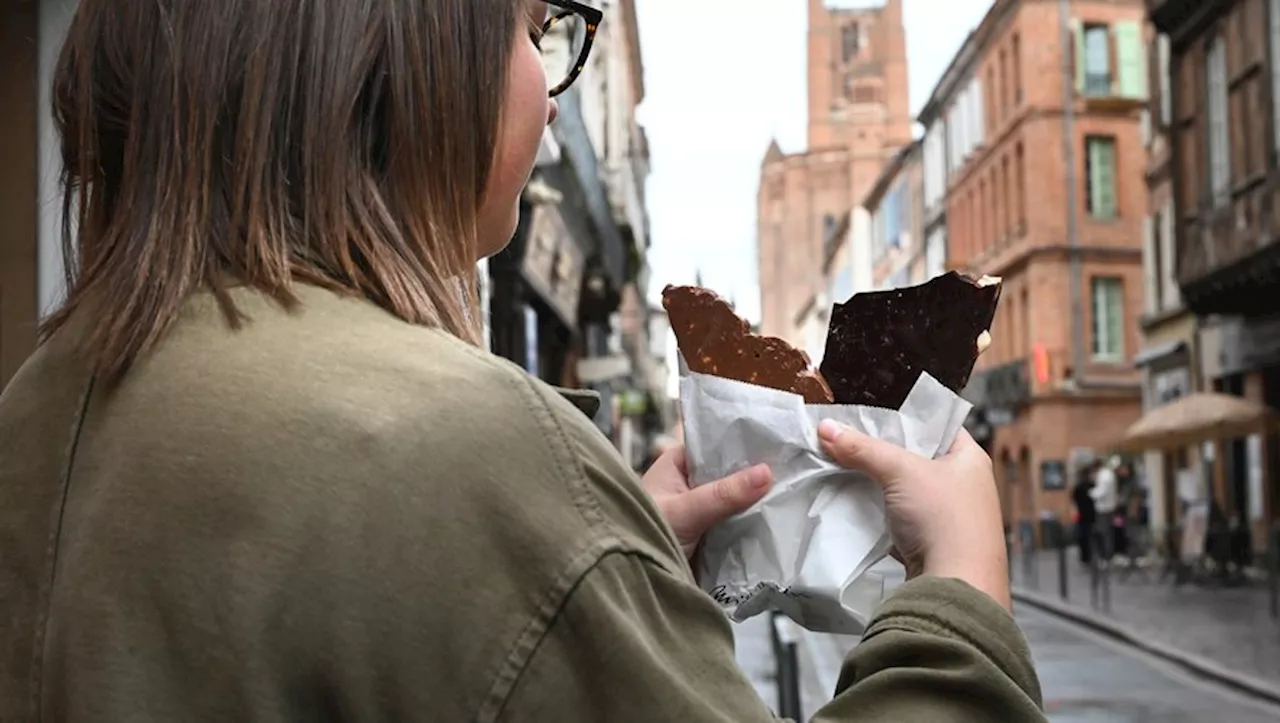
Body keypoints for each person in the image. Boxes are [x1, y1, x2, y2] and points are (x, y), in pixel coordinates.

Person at [0, 1, 1044, 720]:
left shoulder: (36, 404)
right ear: (386, 53)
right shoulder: (465, 442)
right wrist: (959, 587)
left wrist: (606, 577)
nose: (550, 84)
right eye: (528, 26)